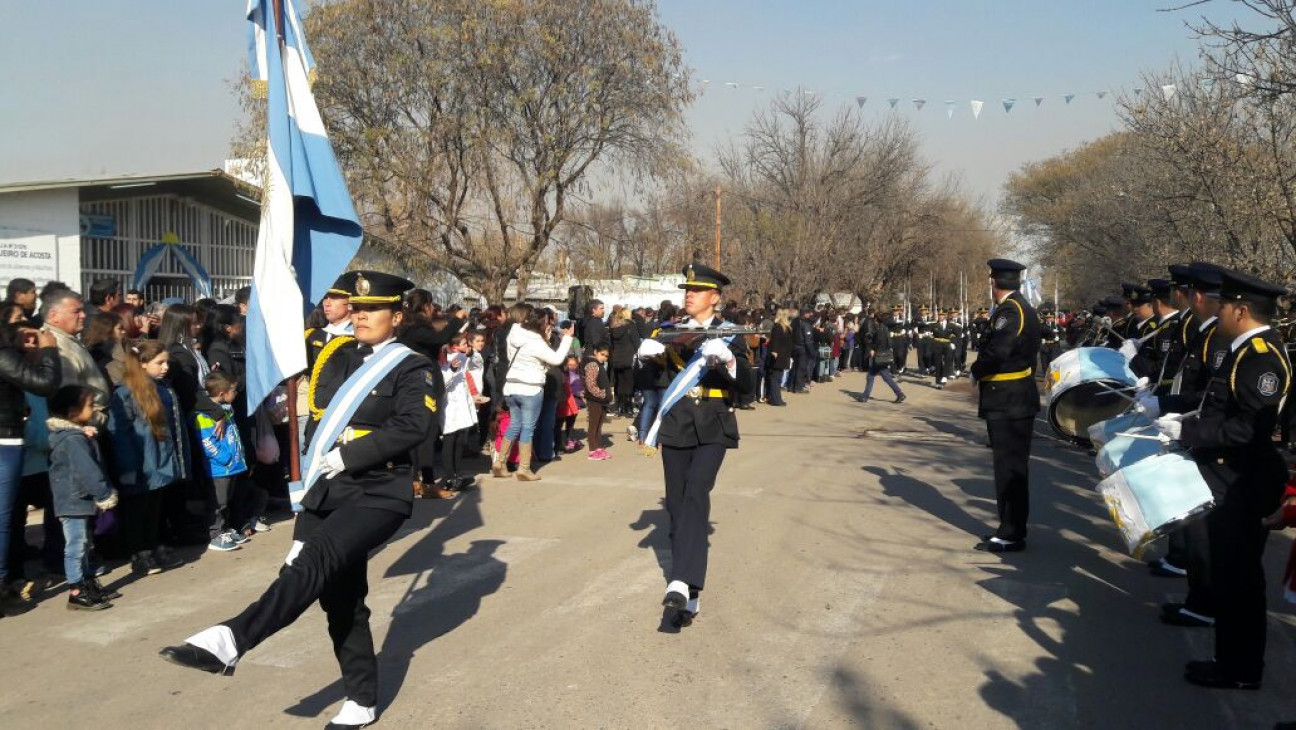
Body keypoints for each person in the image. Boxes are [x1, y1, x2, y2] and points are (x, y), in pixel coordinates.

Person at [160, 272, 438, 730]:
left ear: (397, 315)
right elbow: (314, 412)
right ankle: (362, 698)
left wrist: (349, 453)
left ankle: (232, 638)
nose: (362, 315)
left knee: (314, 562)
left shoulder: (413, 367)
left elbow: (413, 427)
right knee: (339, 598)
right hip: (326, 488)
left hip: (378, 491)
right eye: (358, 307)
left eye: (373, 309)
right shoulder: (338, 354)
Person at [1147, 268, 1290, 690]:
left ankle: (1241, 669)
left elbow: (1248, 429)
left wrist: (1188, 431)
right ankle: (1229, 661)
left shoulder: (1260, 355)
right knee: (1229, 574)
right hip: (1226, 472)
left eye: (1225, 304)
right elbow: (1219, 409)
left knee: (1240, 578)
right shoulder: (1242, 349)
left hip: (1243, 480)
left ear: (1242, 310)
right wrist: (1185, 417)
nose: (1217, 309)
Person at [636, 264, 755, 626]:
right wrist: (643, 358)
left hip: (713, 423)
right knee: (676, 504)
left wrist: (730, 361)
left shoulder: (730, 334)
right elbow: (644, 382)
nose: (689, 294)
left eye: (697, 290)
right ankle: (690, 595)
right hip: (676, 424)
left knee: (695, 493)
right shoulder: (667, 331)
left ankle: (679, 582)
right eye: (687, 289)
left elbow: (748, 387)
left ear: (715, 297)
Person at [1137, 262, 1227, 625]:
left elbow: (1208, 396)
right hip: (1192, 431)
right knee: (1193, 524)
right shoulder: (1202, 330)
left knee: (1202, 530)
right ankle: (1197, 596)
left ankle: (1204, 603)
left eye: (1183, 289)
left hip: (1204, 438)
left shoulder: (1214, 336)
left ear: (1194, 295)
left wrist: (1175, 414)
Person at [971, 259, 1041, 553]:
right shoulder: (1020, 307)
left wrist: (976, 370)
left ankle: (1011, 533)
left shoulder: (1011, 310)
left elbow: (998, 351)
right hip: (1012, 397)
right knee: (1010, 466)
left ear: (994, 283)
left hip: (1009, 398)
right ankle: (1010, 527)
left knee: (1009, 468)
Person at [108, 340, 189, 575]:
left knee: (154, 510)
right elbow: (120, 433)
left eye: (166, 362)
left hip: (159, 461)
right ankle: (139, 554)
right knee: (136, 512)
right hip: (139, 463)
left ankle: (152, 548)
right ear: (142, 364)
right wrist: (128, 467)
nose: (165, 367)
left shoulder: (161, 389)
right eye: (159, 362)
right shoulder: (125, 394)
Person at [0, 315, 60, 614]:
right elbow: (42, 389)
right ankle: (6, 581)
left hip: (27, 451)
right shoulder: (8, 362)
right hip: (13, 447)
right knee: (7, 520)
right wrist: (49, 351)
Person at [46, 385, 118, 610]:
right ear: (72, 412)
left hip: (79, 499)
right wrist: (104, 493)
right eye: (89, 405)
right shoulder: (72, 440)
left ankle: (87, 581)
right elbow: (88, 470)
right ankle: (76, 590)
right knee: (76, 546)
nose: (94, 408)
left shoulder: (76, 436)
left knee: (85, 544)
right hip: (73, 500)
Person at [494, 309, 574, 481]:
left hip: (511, 386)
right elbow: (556, 359)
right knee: (528, 428)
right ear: (541, 324)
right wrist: (567, 339)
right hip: (530, 388)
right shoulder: (536, 342)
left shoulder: (514, 332)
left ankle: (499, 462)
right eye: (546, 322)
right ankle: (524, 468)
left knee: (514, 424)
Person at [195, 371, 250, 553]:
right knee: (219, 502)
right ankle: (215, 534)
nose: (236, 394)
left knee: (228, 500)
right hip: (220, 468)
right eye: (233, 391)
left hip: (232, 466)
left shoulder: (225, 411)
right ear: (221, 393)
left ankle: (225, 529)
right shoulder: (203, 417)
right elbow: (207, 441)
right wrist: (224, 458)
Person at [440, 334, 484, 491]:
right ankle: (449, 477)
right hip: (450, 406)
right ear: (455, 346)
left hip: (462, 404)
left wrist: (471, 354)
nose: (468, 346)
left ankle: (458, 473)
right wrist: (451, 370)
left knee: (459, 440)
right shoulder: (445, 360)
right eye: (465, 344)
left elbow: (477, 364)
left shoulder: (462, 357)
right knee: (450, 440)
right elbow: (442, 384)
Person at [860, 311, 905, 404]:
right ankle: (899, 394)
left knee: (872, 376)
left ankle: (865, 396)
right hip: (883, 355)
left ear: (877, 320)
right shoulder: (884, 328)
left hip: (879, 355)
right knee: (883, 376)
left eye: (874, 320)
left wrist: (873, 349)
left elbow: (879, 342)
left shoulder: (881, 329)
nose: (874, 321)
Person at [609, 307, 640, 419]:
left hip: (616, 358)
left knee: (620, 383)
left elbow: (611, 344)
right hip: (629, 358)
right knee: (629, 383)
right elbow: (636, 342)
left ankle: (620, 407)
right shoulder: (630, 326)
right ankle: (628, 408)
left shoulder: (614, 327)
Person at [582, 343, 612, 460]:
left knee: (599, 425)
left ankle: (598, 447)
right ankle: (592, 450)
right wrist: (603, 394)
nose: (604, 357)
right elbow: (591, 385)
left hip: (601, 401)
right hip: (594, 400)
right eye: (602, 354)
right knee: (593, 425)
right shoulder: (593, 364)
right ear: (595, 352)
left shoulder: (600, 364)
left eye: (606, 356)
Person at [764, 308, 794, 407]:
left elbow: (775, 341)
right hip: (784, 356)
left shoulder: (778, 326)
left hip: (777, 356)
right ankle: (776, 398)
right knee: (777, 378)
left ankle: (775, 399)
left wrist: (774, 351)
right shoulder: (787, 327)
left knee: (774, 378)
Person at [557, 354, 584, 453]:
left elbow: (582, 386)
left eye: (574, 364)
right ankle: (560, 443)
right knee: (560, 423)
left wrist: (582, 392)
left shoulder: (580, 374)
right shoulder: (564, 374)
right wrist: (576, 392)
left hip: (576, 403)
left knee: (571, 423)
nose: (572, 366)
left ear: (577, 364)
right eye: (569, 364)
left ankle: (569, 439)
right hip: (566, 402)